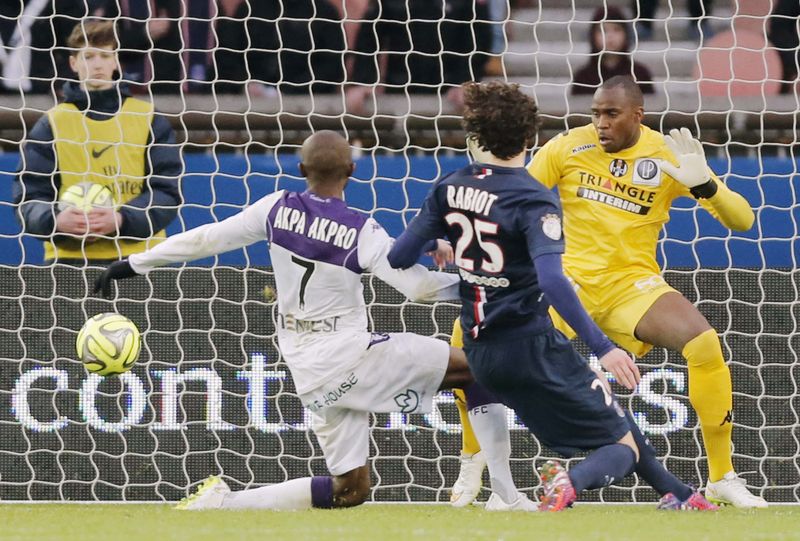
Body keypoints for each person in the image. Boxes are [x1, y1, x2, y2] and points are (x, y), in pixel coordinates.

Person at [94, 130, 477, 511]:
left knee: (350, 490)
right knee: (480, 368)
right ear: (352, 170)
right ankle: (502, 490)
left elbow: (206, 239)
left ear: (300, 169)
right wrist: (480, 287)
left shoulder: (275, 208)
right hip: (350, 353)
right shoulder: (361, 229)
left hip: (308, 365)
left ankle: (222, 505)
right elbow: (420, 289)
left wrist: (132, 263)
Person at [387, 80, 718, 512]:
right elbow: (552, 281)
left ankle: (679, 493)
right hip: (533, 348)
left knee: (616, 418)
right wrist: (603, 347)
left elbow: (398, 257)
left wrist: (438, 245)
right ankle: (569, 482)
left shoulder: (450, 187)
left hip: (480, 352)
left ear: (476, 136)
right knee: (622, 448)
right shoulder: (534, 199)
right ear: (529, 138)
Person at [451, 75, 767, 509]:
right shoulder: (567, 146)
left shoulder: (665, 155)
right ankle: (473, 459)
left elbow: (743, 221)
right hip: (567, 283)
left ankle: (721, 476)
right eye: (596, 113)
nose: (600, 122)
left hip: (630, 286)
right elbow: (514, 200)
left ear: (638, 115)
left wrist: (705, 185)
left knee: (704, 342)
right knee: (466, 335)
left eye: (611, 114)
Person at [12, 19, 182, 265]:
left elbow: (168, 190)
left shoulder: (148, 118)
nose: (97, 64)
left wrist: (123, 218)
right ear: (73, 63)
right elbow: (28, 195)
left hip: (140, 257)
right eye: (88, 56)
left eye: (105, 55)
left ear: (115, 61)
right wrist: (55, 220)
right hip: (69, 259)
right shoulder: (52, 123)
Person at [345, 0, 492, 115]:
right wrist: (364, 82)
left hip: (450, 94)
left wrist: (464, 81)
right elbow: (369, 35)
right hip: (400, 91)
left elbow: (479, 39)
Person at [572, 6, 654, 96]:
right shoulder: (583, 77)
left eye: (616, 29)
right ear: (593, 35)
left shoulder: (639, 74)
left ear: (626, 34)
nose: (610, 36)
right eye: (603, 30)